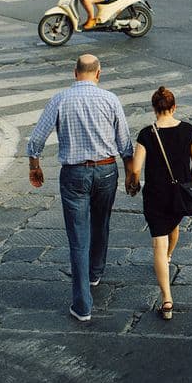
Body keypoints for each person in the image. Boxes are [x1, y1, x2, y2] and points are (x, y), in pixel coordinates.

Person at [27, 54, 134, 323]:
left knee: (78, 237)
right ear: (98, 73)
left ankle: (82, 305)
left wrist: (34, 166)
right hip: (107, 169)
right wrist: (132, 174)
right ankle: (95, 272)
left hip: (74, 173)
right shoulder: (110, 99)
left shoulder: (60, 99)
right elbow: (124, 143)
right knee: (101, 223)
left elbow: (37, 138)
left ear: (75, 73)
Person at [127, 86, 192, 321]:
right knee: (174, 225)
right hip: (179, 193)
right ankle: (169, 256)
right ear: (174, 107)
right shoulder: (188, 130)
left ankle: (167, 299)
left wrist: (133, 182)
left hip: (156, 194)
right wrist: (190, 183)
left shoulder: (147, 134)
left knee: (157, 244)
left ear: (154, 108)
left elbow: (137, 167)